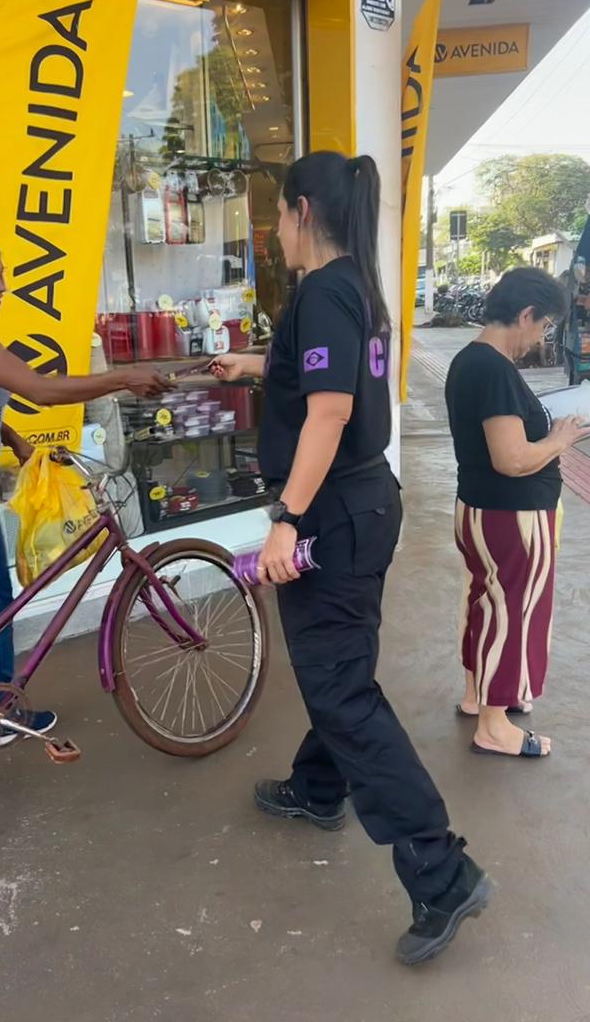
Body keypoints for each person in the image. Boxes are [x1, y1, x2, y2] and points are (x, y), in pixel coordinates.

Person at [211, 151, 490, 966]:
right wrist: (256, 365)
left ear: (303, 209)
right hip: (362, 504)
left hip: (332, 512)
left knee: (341, 689)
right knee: (341, 672)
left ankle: (441, 872)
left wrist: (286, 519)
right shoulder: (355, 287)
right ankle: (318, 786)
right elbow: (322, 381)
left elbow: (329, 412)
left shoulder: (323, 289)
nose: (274, 230)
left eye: (277, 213)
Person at [0, 229, 171, 750]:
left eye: (3, 274)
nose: (2, 286)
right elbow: (41, 390)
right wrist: (123, 379)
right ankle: (4, 713)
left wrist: (12, 439)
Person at [445, 267, 588, 758]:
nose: (541, 338)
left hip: (484, 510)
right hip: (513, 516)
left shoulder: (472, 360)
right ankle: (494, 725)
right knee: (512, 614)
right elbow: (512, 459)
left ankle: (478, 696)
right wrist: (561, 439)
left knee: (487, 604)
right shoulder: (494, 369)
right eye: (544, 326)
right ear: (526, 315)